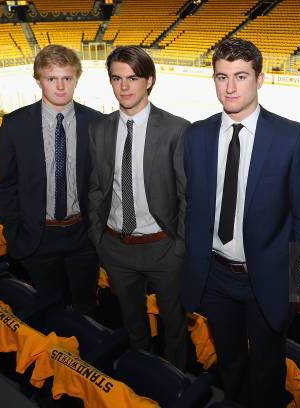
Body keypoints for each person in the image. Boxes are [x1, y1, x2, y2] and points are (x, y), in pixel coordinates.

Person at [182, 38, 300, 406]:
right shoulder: (196, 136)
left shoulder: (291, 138)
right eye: (221, 77)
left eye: (240, 76)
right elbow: (193, 208)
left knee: (267, 367)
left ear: (259, 79)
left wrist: (295, 279)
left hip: (268, 278)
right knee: (229, 362)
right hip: (216, 278)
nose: (229, 87)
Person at [87, 46, 189, 370]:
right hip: (116, 247)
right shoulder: (99, 129)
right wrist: (98, 237)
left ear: (150, 81)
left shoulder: (177, 129)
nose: (124, 86)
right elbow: (96, 188)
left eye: (132, 78)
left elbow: (188, 195)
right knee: (133, 325)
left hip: (163, 248)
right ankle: (143, 377)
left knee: (174, 326)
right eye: (116, 78)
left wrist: (180, 247)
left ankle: (177, 385)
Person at [0, 44, 101, 316]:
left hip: (83, 236)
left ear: (77, 78)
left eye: (67, 78)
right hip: (37, 237)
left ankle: (85, 358)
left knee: (86, 307)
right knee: (48, 308)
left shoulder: (97, 123)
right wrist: (14, 233)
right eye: (51, 78)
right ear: (38, 80)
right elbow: (7, 186)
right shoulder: (14, 124)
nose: (60, 86)